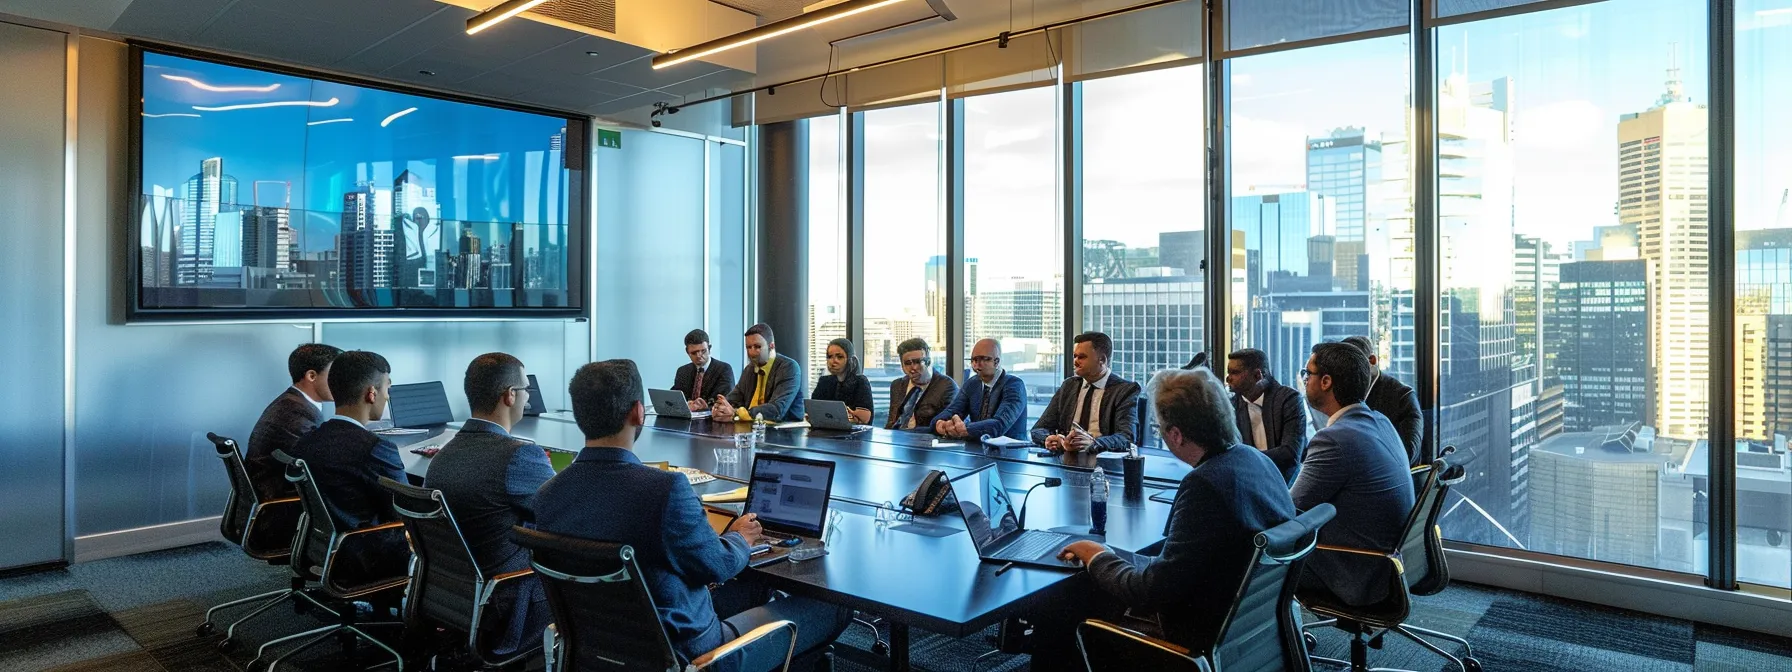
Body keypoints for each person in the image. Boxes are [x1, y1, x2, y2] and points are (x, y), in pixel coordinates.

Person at [532, 360, 850, 672]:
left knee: (753, 590)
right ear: (638, 412)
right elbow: (718, 565)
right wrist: (740, 536)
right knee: (833, 606)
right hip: (695, 654)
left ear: (579, 416)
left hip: (602, 645)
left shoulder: (548, 494)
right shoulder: (665, 490)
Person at [1056, 367, 1296, 653]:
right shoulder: (1254, 459)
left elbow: (1150, 592)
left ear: (1176, 434)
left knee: (1066, 607)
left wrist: (1095, 554)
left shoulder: (1204, 485)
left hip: (1193, 639)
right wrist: (1112, 556)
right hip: (1250, 632)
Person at [424, 353, 555, 657]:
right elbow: (568, 514)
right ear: (510, 395)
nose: (526, 398)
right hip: (509, 602)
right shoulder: (519, 456)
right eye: (525, 390)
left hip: (453, 598)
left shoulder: (444, 454)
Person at [1293, 342, 1415, 607]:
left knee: (1247, 548)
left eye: (1308, 373)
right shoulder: (1379, 421)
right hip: (1392, 563)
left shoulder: (1334, 439)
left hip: (1357, 571)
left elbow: (1289, 512)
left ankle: (1275, 643)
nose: (1304, 380)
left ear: (1326, 381)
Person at [285, 350, 410, 585]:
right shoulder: (374, 448)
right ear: (371, 394)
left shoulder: (308, 440)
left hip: (326, 545)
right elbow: (407, 511)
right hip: (369, 554)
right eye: (387, 390)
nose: (388, 397)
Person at [247, 343, 342, 501]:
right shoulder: (298, 414)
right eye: (335, 375)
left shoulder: (291, 403)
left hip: (270, 492)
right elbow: (321, 467)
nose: (341, 382)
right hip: (281, 504)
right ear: (311, 376)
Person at [1030, 332, 1141, 454]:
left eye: (1081, 357)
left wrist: (1093, 443)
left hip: (1102, 462)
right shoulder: (1069, 386)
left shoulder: (1124, 390)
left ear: (1102, 360)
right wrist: (1048, 439)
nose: (1075, 362)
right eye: (1075, 356)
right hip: (1066, 458)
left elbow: (1127, 437)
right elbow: (1038, 429)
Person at [1224, 348, 1309, 484]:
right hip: (1249, 483)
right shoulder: (1230, 406)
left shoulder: (1289, 399)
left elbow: (1291, 454)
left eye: (1234, 372)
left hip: (1286, 484)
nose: (1228, 378)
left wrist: (1242, 459)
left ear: (1257, 375)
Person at [1341, 335, 1425, 466]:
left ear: (1372, 361)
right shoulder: (1345, 394)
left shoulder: (1403, 396)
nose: (1345, 374)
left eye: (1352, 366)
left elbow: (1408, 454)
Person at [931, 338, 1028, 441]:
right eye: (973, 360)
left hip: (1011, 454)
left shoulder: (1014, 385)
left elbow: (999, 425)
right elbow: (952, 411)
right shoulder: (972, 383)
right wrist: (941, 424)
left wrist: (964, 429)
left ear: (996, 361)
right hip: (977, 451)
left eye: (982, 359)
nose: (976, 365)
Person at [711, 323, 805, 423]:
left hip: (785, 432)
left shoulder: (788, 367)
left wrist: (736, 413)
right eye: (748, 347)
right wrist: (720, 407)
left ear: (771, 346)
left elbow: (776, 410)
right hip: (752, 429)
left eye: (757, 347)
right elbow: (734, 398)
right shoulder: (749, 369)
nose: (752, 352)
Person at [883, 338, 956, 431]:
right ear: (902, 365)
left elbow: (946, 426)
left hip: (927, 439)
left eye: (918, 362)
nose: (913, 367)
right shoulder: (897, 385)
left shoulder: (947, 386)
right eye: (908, 363)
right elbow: (892, 421)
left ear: (928, 361)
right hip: (898, 438)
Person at [810, 338, 874, 424]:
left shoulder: (860, 381)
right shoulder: (824, 381)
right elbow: (814, 410)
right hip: (825, 431)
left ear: (850, 359)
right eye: (829, 357)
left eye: (839, 357)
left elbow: (865, 419)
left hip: (854, 434)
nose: (833, 361)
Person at [673, 329, 734, 412]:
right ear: (687, 352)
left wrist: (703, 407)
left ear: (709, 348)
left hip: (713, 420)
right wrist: (688, 404)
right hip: (686, 419)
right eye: (694, 353)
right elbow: (675, 399)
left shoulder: (724, 369)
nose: (699, 355)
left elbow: (725, 401)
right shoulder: (683, 371)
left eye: (703, 351)